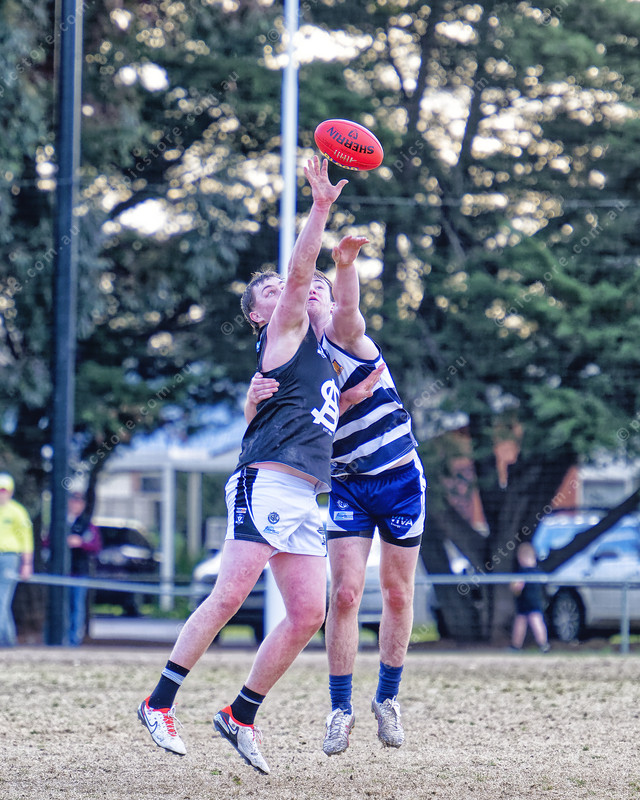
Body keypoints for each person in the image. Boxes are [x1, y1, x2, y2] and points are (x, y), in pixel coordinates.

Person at [138, 156, 348, 774]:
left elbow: (335, 305)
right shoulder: (282, 333)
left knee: (309, 614)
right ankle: (158, 701)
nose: (286, 291)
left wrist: (339, 282)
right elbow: (303, 272)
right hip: (267, 481)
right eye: (271, 292)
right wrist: (319, 208)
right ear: (260, 314)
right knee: (229, 595)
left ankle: (240, 714)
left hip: (304, 494)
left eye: (287, 288)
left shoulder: (326, 350)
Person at [246, 235, 427, 757]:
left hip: (399, 478)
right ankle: (340, 709)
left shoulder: (345, 337)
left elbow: (348, 308)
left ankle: (387, 699)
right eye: (305, 288)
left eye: (318, 290)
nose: (310, 293)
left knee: (397, 593)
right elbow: (267, 426)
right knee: (344, 595)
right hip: (347, 480)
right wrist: (252, 400)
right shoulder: (289, 354)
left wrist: (344, 265)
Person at [0, 473, 34, 647]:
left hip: (9, 558)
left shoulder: (18, 511)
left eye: (4, 490)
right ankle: (8, 640)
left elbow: (26, 539)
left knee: (2, 598)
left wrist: (27, 564)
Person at [66, 491, 101, 646]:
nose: (75, 505)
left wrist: (81, 542)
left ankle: (74, 639)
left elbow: (96, 545)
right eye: (73, 501)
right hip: (63, 572)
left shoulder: (88, 524)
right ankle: (61, 637)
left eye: (79, 502)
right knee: (62, 606)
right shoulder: (61, 522)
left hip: (79, 571)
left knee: (77, 606)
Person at [510, 542, 550, 653]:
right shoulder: (538, 571)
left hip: (525, 601)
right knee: (536, 621)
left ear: (521, 558)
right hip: (536, 600)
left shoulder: (522, 572)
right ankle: (543, 644)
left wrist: (514, 587)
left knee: (523, 622)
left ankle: (516, 646)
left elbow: (517, 587)